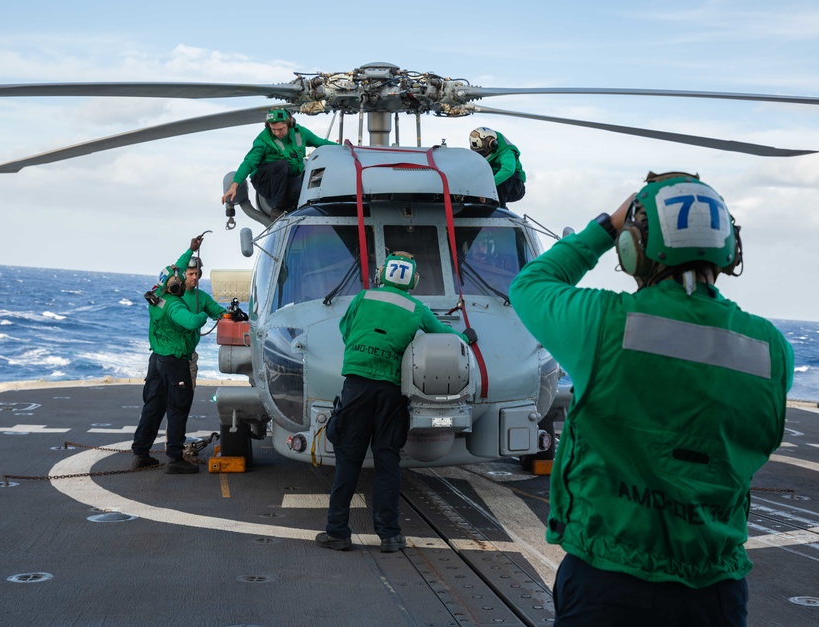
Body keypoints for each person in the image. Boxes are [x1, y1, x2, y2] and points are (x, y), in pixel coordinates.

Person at [508, 172, 794, 626]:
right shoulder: (771, 349)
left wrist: (605, 226)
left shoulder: (602, 324)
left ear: (632, 248)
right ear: (730, 249)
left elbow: (529, 284)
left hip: (608, 582)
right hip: (715, 591)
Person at [316, 251, 477, 553]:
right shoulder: (417, 308)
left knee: (348, 459)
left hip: (357, 385)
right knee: (387, 459)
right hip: (390, 390)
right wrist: (466, 338)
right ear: (413, 280)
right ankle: (389, 535)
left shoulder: (363, 298)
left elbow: (345, 331)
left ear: (382, 273)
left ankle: (337, 532)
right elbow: (443, 335)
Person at [131, 241, 213, 475]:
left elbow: (174, 268)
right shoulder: (174, 306)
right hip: (175, 362)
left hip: (156, 360)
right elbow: (192, 321)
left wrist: (191, 248)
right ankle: (175, 459)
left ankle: (140, 453)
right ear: (176, 284)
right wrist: (202, 315)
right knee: (178, 407)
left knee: (153, 407)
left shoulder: (157, 295)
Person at [222, 108, 338, 217]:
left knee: (300, 190)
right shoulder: (263, 140)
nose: (277, 133)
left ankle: (292, 214)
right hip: (265, 181)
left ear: (289, 125)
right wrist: (234, 185)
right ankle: (277, 209)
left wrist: (346, 148)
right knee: (281, 165)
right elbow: (248, 163)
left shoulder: (300, 133)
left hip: (287, 178)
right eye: (273, 130)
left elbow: (320, 142)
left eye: (280, 129)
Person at [173, 234, 228, 390]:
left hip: (190, 357)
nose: (194, 277)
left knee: (187, 395)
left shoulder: (202, 297)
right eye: (191, 274)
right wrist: (191, 249)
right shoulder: (173, 295)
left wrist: (231, 315)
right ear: (184, 274)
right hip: (170, 356)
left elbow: (219, 313)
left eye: (197, 274)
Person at [469, 127, 526, 208]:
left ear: (492, 144)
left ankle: (498, 206)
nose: (481, 155)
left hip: (515, 188)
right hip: (494, 182)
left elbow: (508, 170)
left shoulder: (507, 152)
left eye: (483, 152)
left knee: (506, 174)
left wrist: (487, 186)